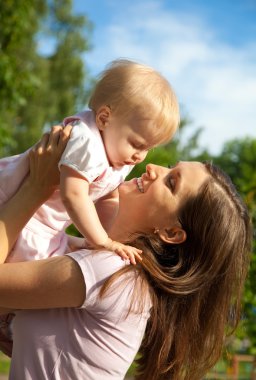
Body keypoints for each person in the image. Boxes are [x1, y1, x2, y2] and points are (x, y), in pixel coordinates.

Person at [0, 126, 251, 380]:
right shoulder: (106, 266)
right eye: (170, 168)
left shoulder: (113, 274)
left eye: (171, 182)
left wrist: (36, 188)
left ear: (171, 233)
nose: (154, 169)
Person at [0, 59, 179, 266]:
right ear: (104, 119)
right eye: (137, 144)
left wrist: (103, 238)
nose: (141, 156)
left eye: (149, 148)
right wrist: (104, 241)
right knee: (25, 272)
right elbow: (74, 195)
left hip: (43, 221)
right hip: (14, 204)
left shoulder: (120, 155)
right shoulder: (87, 142)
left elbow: (109, 197)